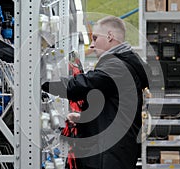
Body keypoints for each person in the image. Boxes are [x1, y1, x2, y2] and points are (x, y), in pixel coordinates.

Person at [43, 15, 149, 169]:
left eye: (95, 38)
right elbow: (112, 109)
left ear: (110, 36)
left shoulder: (118, 67)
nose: (92, 45)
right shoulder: (123, 63)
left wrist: (42, 82)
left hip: (108, 158)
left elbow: (79, 86)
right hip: (114, 154)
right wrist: (84, 118)